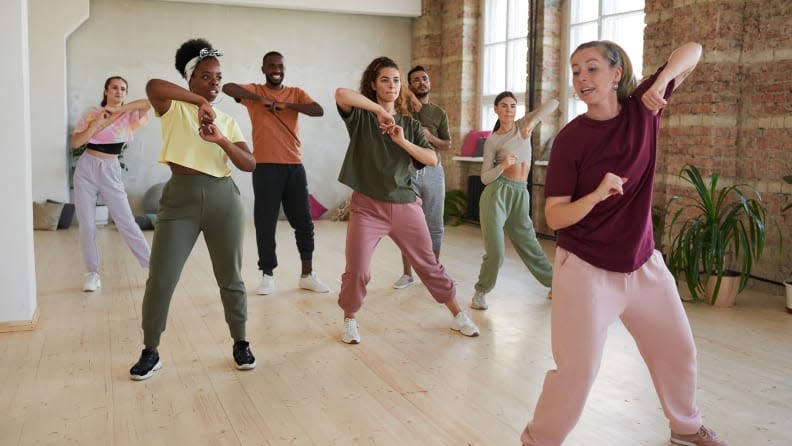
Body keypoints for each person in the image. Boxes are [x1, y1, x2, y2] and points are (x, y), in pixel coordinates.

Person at [520, 41, 728, 446]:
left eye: (592, 68)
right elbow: (555, 216)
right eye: (576, 70)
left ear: (616, 73)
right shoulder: (570, 140)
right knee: (576, 371)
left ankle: (685, 428)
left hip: (643, 262)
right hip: (585, 268)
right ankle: (538, 441)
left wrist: (664, 79)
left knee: (677, 350)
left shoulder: (643, 110)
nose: (581, 78)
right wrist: (596, 195)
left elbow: (695, 49)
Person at [129, 38, 257, 381]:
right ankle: (150, 350)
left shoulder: (227, 120)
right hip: (179, 201)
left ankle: (240, 342)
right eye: (205, 76)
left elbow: (249, 163)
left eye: (217, 77)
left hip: (223, 199)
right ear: (190, 78)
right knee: (162, 278)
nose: (214, 82)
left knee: (230, 278)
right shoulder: (172, 107)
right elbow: (153, 86)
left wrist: (222, 140)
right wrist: (199, 101)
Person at [334, 56, 480, 344]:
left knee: (429, 265)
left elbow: (433, 159)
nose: (392, 85)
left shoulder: (410, 125)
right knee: (358, 270)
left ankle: (457, 314)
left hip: (404, 204)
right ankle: (349, 319)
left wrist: (401, 140)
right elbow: (341, 94)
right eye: (385, 80)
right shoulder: (361, 117)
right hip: (367, 208)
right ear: (373, 86)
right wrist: (378, 110)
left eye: (396, 80)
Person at [223, 51, 330, 296]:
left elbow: (317, 110)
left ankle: (307, 274)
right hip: (264, 168)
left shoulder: (295, 93)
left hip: (294, 167)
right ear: (263, 69)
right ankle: (268, 275)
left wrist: (286, 105)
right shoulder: (254, 92)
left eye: (279, 65)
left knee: (303, 222)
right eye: (271, 65)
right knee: (265, 222)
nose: (275, 69)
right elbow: (228, 87)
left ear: (284, 68)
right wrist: (258, 99)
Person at [470, 93, 558, 310]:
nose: (509, 110)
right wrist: (503, 166)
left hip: (520, 193)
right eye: (504, 106)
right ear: (496, 110)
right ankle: (480, 292)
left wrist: (534, 122)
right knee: (496, 252)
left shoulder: (523, 125)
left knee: (530, 243)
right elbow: (484, 177)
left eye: (513, 106)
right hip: (497, 194)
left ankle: (554, 284)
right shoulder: (493, 141)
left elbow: (553, 103)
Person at [71, 76, 152, 292]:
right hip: (86, 167)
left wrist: (118, 110)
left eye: (123, 89)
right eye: (114, 88)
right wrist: (96, 123)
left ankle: (152, 269)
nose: (118, 92)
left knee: (126, 221)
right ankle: (92, 273)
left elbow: (148, 103)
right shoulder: (91, 113)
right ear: (106, 91)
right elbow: (77, 142)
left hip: (111, 168)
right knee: (87, 224)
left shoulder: (129, 116)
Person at [391, 65, 452, 290]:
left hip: (434, 172)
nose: (421, 82)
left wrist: (430, 137)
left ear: (430, 83)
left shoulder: (438, 113)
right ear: (409, 85)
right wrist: (408, 95)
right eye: (415, 80)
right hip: (407, 171)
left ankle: (433, 274)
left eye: (424, 79)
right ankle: (407, 274)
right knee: (407, 225)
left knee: (434, 224)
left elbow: (447, 145)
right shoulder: (403, 108)